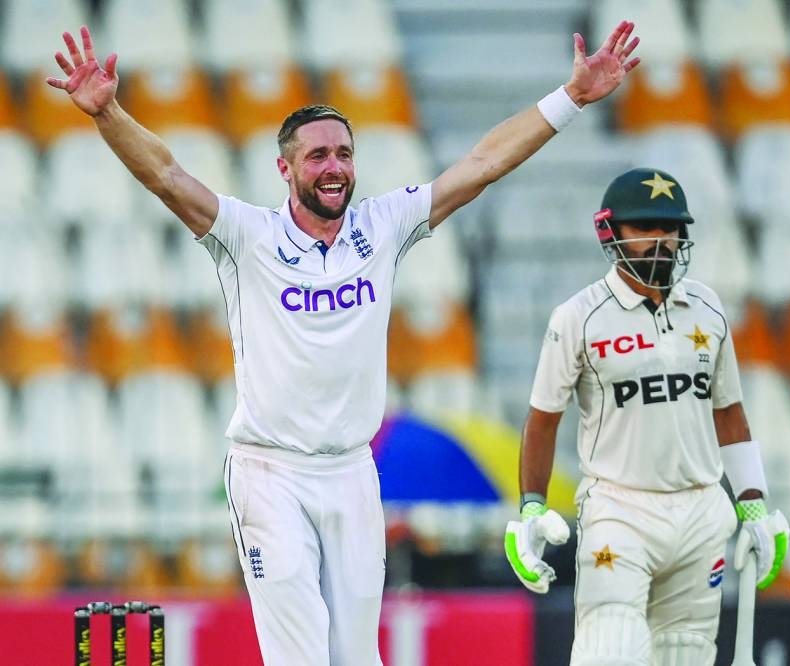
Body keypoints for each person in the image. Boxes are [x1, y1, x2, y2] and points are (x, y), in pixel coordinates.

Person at [47, 22, 640, 666]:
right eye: (317, 156)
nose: (334, 168)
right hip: (270, 471)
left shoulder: (382, 226)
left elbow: (483, 164)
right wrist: (108, 113)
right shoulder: (247, 237)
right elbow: (165, 174)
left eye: (344, 154)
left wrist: (571, 99)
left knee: (358, 657)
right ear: (285, 167)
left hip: (353, 470)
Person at [504, 168, 790, 665]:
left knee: (684, 655)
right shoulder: (579, 316)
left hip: (701, 510)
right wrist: (531, 506)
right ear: (610, 233)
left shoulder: (707, 307)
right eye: (644, 228)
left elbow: (729, 411)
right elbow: (543, 418)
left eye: (670, 227)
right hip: (619, 508)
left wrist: (753, 503)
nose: (661, 241)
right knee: (608, 650)